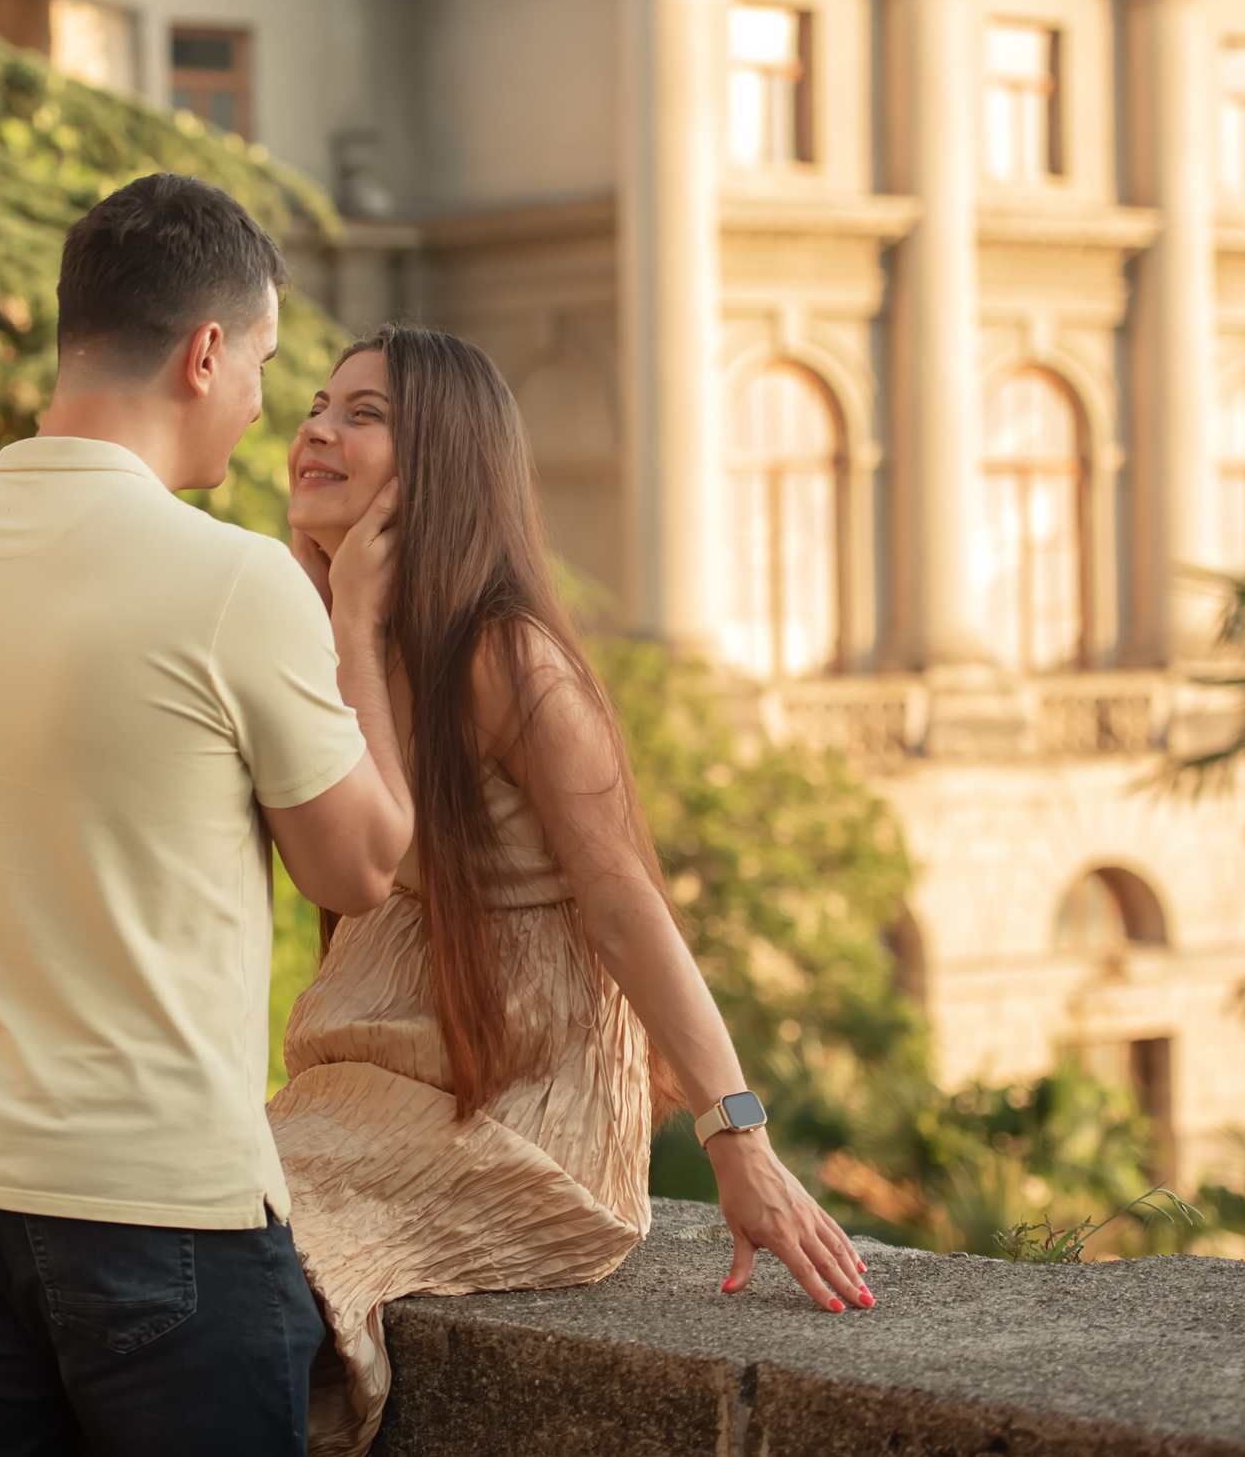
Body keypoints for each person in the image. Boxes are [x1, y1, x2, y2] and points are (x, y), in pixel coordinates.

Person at [0, 174, 414, 1457]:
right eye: (264, 364)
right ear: (204, 352)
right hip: (152, 1206)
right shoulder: (234, 579)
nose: (265, 406)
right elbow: (360, 864)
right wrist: (356, 621)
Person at [267, 326, 874, 1457]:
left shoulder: (506, 656)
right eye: (315, 405)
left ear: (444, 463)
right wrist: (345, 621)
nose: (316, 430)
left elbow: (622, 900)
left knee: (238, 1261)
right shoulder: (331, 635)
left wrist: (738, 1136)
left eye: (364, 413)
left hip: (520, 1111)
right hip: (371, 1083)